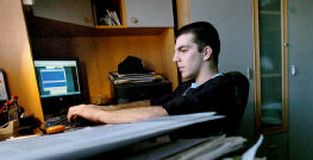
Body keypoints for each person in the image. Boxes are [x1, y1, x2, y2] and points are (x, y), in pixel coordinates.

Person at [67, 21, 246, 134]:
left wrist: (96, 115)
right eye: (176, 51)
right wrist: (106, 109)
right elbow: (153, 103)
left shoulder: (222, 87)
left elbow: (159, 113)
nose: (175, 58)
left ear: (206, 53)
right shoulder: (189, 86)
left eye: (183, 50)